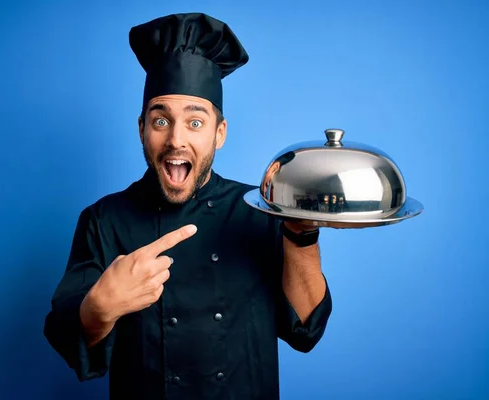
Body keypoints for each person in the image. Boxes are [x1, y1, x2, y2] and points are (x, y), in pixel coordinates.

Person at [43, 12, 332, 400]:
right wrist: (99, 307)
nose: (176, 139)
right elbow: (65, 335)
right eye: (161, 121)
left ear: (219, 133)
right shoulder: (104, 220)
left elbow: (305, 330)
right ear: (142, 128)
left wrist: (302, 235)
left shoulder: (260, 210)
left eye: (195, 123)